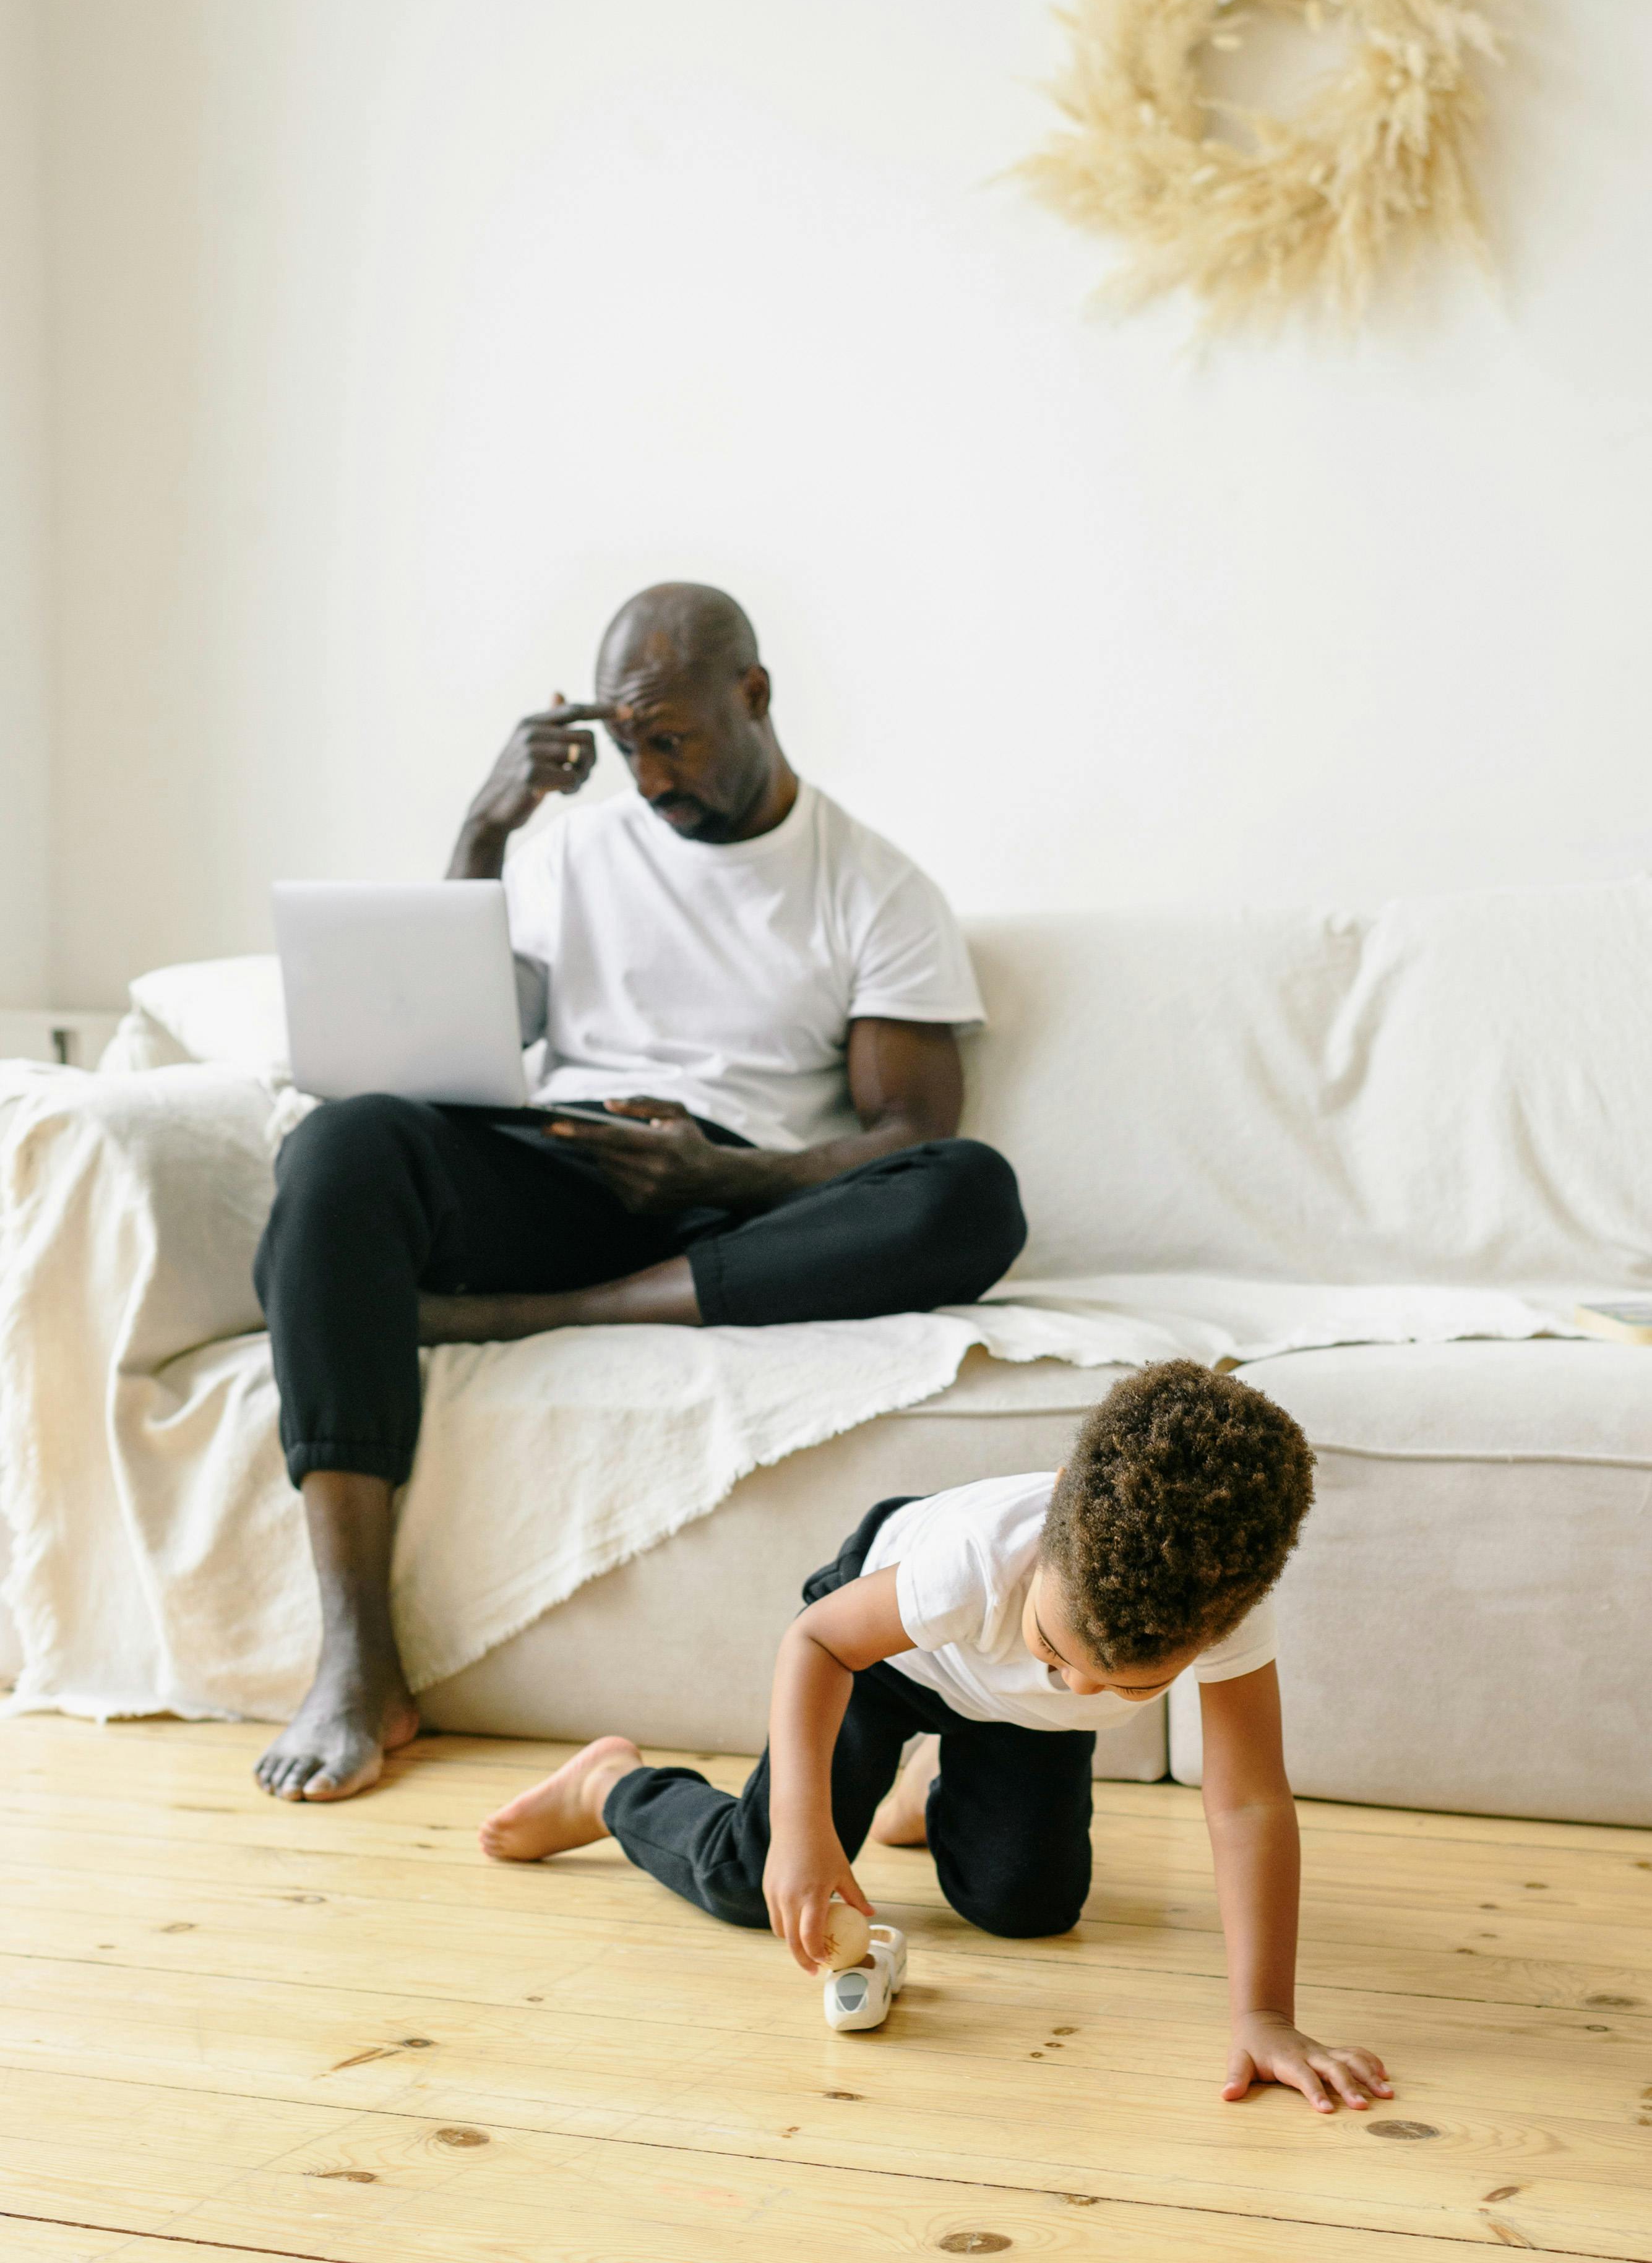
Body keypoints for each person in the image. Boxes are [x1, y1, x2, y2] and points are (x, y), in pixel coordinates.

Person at [252, 582, 1026, 1802]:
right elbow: (433, 1035)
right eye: (626, 746)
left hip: (744, 1195)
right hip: (567, 1159)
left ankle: (556, 1310)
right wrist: (484, 828)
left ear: (753, 696)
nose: (650, 772)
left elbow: (910, 1131)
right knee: (340, 1147)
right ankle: (357, 1656)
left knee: (972, 1193)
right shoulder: (568, 851)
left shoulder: (870, 884)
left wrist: (727, 1170)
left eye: (673, 736)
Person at [477, 1359, 1394, 2114]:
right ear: (1047, 1547)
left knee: (1026, 1907)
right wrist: (803, 1832)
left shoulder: (1218, 1614)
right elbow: (817, 1643)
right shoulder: (974, 1563)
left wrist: (1266, 2014)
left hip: (1008, 1715)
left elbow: (1246, 1801)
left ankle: (925, 1789)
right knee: (749, 1879)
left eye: (1131, 1687)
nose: (1077, 1686)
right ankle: (610, 1786)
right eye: (1056, 1649)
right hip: (879, 1658)